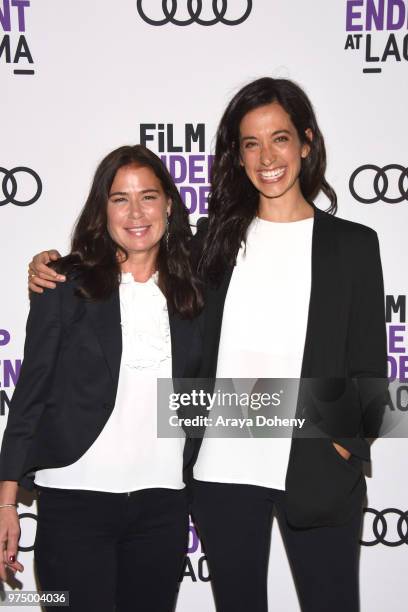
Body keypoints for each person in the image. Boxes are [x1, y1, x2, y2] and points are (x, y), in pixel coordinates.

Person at [27, 78, 387, 612]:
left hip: (316, 466)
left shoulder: (354, 245)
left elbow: (368, 365)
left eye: (280, 138)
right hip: (222, 471)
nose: (267, 156)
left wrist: (344, 444)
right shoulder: (210, 243)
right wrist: (54, 268)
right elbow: (132, 257)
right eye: (250, 143)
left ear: (306, 143)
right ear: (237, 157)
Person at [0, 144, 204, 612]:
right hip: (74, 504)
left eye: (148, 196)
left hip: (163, 506)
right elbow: (30, 394)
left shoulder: (195, 288)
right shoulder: (64, 284)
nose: (136, 212)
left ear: (169, 205)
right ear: (103, 208)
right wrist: (6, 502)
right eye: (120, 199)